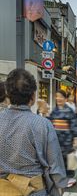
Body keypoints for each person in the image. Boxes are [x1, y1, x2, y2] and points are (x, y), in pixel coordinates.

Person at [0, 68, 67, 196]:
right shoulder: (42, 124)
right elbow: (55, 166)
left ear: (7, 94)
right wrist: (60, 187)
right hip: (33, 190)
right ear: (33, 96)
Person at [50, 90, 77, 188]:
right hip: (56, 140)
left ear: (65, 99)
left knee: (68, 160)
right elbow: (49, 123)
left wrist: (76, 138)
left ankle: (69, 178)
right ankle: (60, 179)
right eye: (57, 96)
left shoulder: (69, 111)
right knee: (57, 160)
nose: (58, 98)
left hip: (67, 140)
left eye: (61, 97)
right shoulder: (54, 111)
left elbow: (74, 124)